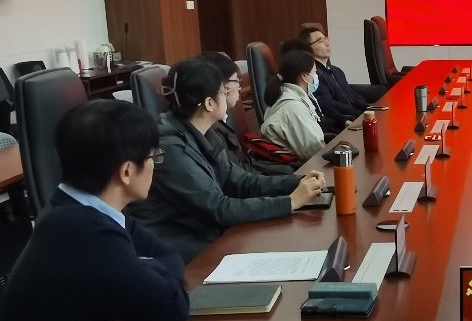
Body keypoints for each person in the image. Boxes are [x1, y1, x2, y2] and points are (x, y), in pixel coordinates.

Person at [0, 100, 190, 321]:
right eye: (153, 156)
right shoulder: (82, 230)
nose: (155, 164)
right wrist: (142, 273)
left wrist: (140, 270)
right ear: (127, 171)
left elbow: (167, 253)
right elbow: (172, 308)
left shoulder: (77, 207)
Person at [129, 59, 325, 262]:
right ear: (209, 103)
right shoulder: (170, 147)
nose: (228, 96)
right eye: (223, 92)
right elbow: (218, 208)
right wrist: (290, 202)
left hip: (202, 228)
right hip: (175, 240)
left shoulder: (204, 131)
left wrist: (297, 182)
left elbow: (241, 181)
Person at [197, 51, 293, 176]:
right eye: (236, 81)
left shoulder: (220, 121)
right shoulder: (209, 129)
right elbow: (236, 177)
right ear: (221, 86)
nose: (239, 87)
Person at [261, 50, 327, 161]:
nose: (316, 76)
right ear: (304, 76)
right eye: (314, 72)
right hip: (299, 167)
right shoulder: (294, 108)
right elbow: (315, 153)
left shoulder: (286, 95)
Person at [299, 25, 370, 129]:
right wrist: (358, 113)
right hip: (344, 122)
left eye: (326, 39)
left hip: (356, 116)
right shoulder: (313, 76)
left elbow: (351, 93)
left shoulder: (337, 71)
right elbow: (328, 105)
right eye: (320, 41)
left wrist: (366, 107)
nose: (327, 43)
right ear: (308, 49)